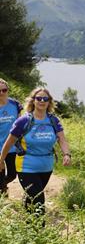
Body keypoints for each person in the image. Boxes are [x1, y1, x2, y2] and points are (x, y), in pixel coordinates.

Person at [0, 87, 71, 215]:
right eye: (39, 98)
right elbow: (9, 142)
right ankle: (39, 232)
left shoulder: (53, 120)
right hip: (26, 166)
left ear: (49, 102)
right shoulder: (24, 121)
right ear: (33, 101)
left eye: (45, 99)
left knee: (32, 197)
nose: (42, 101)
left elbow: (62, 139)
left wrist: (66, 154)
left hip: (46, 167)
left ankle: (28, 226)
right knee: (38, 199)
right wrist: (1, 160)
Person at [0, 78, 23, 195]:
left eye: (4, 90)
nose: (1, 93)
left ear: (7, 90)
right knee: (0, 172)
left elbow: (21, 123)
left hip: (12, 146)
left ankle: (1, 187)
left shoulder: (15, 104)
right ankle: (3, 194)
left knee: (13, 174)